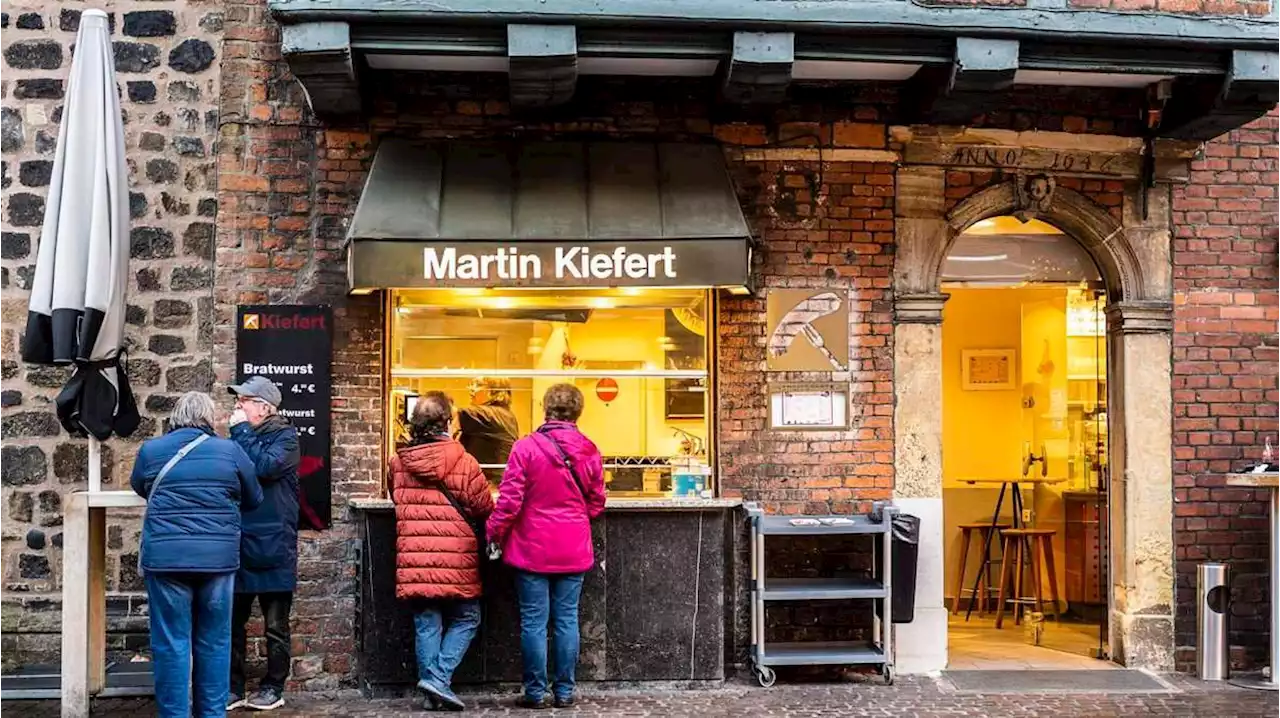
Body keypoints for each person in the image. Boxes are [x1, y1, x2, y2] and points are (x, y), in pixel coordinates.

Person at [131, 392, 263, 718]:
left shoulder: (151, 451)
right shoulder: (230, 451)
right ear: (208, 418)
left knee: (171, 644)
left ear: (176, 417)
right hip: (217, 560)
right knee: (215, 642)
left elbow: (140, 486)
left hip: (166, 560)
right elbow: (255, 497)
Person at [487, 383, 606, 709]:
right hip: (572, 549)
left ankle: (535, 692)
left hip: (531, 550)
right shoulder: (589, 450)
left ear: (546, 409)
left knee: (533, 622)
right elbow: (597, 502)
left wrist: (493, 532)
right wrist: (575, 517)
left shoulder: (525, 448)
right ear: (578, 412)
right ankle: (565, 691)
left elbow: (509, 503)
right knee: (567, 620)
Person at [390, 391, 495, 711]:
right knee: (467, 616)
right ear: (447, 423)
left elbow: (397, 500)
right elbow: (483, 506)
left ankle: (432, 695)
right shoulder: (465, 461)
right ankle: (439, 678)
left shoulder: (398, 462)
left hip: (415, 556)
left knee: (426, 620)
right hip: (456, 556)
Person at [226, 376, 301, 712]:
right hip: (241, 543)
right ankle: (233, 687)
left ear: (264, 407)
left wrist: (240, 433)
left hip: (274, 546)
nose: (237, 407)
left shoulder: (286, 438)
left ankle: (273, 686)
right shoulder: (237, 440)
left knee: (275, 626)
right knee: (231, 623)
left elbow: (263, 468)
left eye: (244, 401)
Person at [456, 377, 520, 485]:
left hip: (489, 484)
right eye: (472, 384)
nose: (472, 389)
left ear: (495, 392)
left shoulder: (491, 415)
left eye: (479, 385)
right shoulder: (503, 414)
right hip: (492, 482)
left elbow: (450, 413)